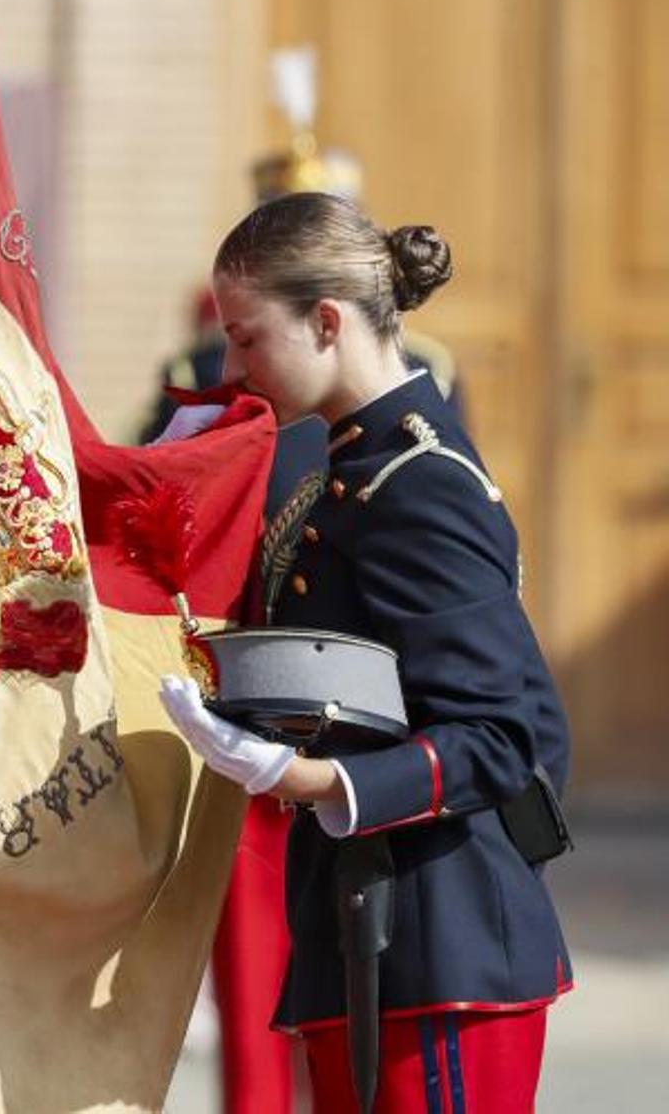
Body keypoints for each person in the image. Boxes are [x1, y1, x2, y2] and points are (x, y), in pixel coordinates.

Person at [159, 192, 571, 1113]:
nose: (231, 367)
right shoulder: (347, 472)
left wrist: (307, 783)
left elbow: (506, 735)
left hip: (441, 937)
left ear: (328, 320)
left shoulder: (418, 484)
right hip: (371, 926)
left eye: (248, 338)